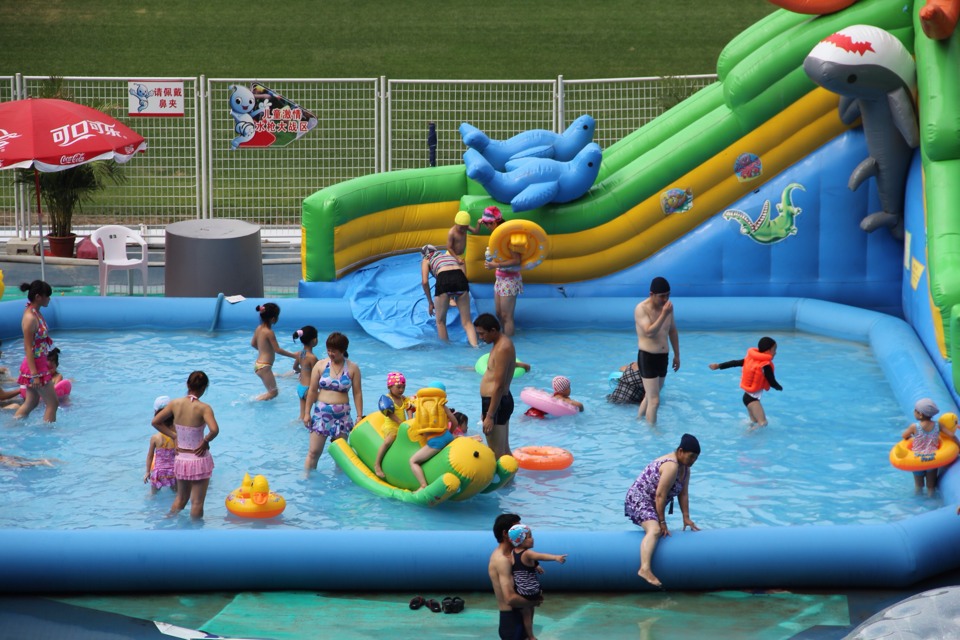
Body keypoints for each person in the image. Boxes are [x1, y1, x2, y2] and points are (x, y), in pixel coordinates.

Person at [624, 433, 701, 588]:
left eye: (696, 458)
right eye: (691, 456)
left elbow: (683, 493)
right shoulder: (671, 465)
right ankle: (644, 568)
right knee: (655, 530)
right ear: (680, 451)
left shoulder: (685, 469)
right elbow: (660, 495)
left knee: (658, 528)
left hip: (651, 503)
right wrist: (662, 522)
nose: (693, 461)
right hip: (638, 499)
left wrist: (686, 517)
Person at [151, 371, 219, 519]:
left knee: (180, 499)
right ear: (204, 388)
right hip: (199, 458)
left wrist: (174, 436)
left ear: (188, 384)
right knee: (197, 503)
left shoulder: (175, 403)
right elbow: (214, 430)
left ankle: (166, 525)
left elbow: (155, 422)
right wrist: (206, 441)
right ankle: (195, 537)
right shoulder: (204, 408)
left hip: (181, 458)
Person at [303, 332, 363, 470]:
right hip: (321, 415)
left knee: (341, 456)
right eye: (328, 350)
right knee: (313, 452)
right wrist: (307, 413)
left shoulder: (353, 368)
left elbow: (357, 393)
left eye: (334, 351)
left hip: (342, 417)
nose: (330, 353)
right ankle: (307, 481)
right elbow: (312, 390)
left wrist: (359, 415)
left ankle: (339, 487)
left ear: (342, 350)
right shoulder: (320, 365)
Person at [507, 523, 567, 640]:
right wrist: (555, 558)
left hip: (521, 591)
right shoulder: (527, 553)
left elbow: (521, 565)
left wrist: (535, 566)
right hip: (532, 591)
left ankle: (526, 633)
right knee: (529, 614)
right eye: (529, 536)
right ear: (521, 540)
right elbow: (541, 556)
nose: (532, 538)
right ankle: (531, 636)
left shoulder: (512, 553)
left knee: (526, 613)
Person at [633, 276, 680, 425]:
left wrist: (677, 355)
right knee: (655, 400)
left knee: (651, 395)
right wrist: (664, 314)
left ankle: (638, 420)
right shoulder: (641, 309)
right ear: (651, 294)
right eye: (662, 296)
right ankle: (652, 434)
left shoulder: (668, 307)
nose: (665, 299)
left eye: (668, 295)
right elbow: (649, 332)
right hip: (647, 357)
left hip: (663, 357)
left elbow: (672, 331)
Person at [708, 336, 783, 428]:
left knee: (753, 422)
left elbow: (735, 363)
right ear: (768, 351)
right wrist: (779, 388)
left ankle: (748, 435)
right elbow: (772, 382)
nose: (775, 353)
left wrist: (719, 365)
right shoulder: (765, 366)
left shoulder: (751, 359)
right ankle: (747, 435)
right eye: (774, 350)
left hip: (747, 397)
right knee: (763, 423)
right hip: (753, 400)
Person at [488, 513, 541, 640]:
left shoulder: (515, 554)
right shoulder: (502, 560)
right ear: (506, 534)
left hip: (521, 616)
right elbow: (510, 599)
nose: (522, 534)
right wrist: (536, 600)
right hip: (512, 621)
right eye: (517, 530)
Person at [475, 313, 517, 459]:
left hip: (496, 402)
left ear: (493, 330)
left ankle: (504, 482)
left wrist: (490, 415)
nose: (481, 337)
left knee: (496, 454)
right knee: (504, 451)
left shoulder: (502, 348)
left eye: (482, 334)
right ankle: (512, 481)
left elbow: (498, 385)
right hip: (498, 401)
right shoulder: (501, 344)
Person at [15, 280, 58, 422]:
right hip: (36, 368)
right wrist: (34, 375)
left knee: (31, 402)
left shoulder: (34, 311)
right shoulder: (30, 318)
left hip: (38, 364)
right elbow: (28, 347)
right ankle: (48, 435)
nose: (49, 299)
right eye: (47, 296)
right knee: (53, 404)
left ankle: (14, 425)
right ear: (38, 297)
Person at [421, 244, 479, 347]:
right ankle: (475, 347)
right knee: (467, 322)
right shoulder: (448, 256)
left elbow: (425, 282)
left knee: (440, 322)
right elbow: (462, 264)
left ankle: (446, 349)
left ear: (424, 255)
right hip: (460, 278)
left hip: (444, 279)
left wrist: (430, 302)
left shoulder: (426, 260)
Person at [482, 206, 523, 337]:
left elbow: (517, 260)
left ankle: (508, 344)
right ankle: (502, 339)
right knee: (499, 313)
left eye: (487, 224)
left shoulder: (507, 237)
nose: (486, 227)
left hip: (510, 280)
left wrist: (495, 264)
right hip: (500, 279)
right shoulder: (498, 234)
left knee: (506, 316)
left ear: (494, 223)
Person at [251, 303, 299, 401]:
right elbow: (278, 350)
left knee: (274, 381)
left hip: (259, 365)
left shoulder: (259, 328)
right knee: (273, 393)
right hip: (264, 367)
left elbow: (253, 344)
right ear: (273, 319)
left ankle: (279, 375)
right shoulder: (269, 332)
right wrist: (294, 355)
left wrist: (264, 350)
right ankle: (253, 402)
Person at [902, 398, 942, 496]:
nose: (913, 412)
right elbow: (952, 435)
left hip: (917, 460)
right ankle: (930, 498)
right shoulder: (938, 425)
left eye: (915, 410)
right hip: (932, 459)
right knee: (931, 487)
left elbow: (904, 436)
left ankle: (918, 500)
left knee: (919, 486)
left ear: (920, 414)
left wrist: (911, 436)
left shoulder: (914, 427)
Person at [144, 395, 177, 493]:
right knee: (177, 496)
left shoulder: (155, 438)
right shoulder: (177, 436)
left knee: (153, 495)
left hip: (158, 473)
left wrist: (147, 472)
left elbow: (150, 456)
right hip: (173, 472)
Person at [292, 325, 320, 421]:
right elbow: (318, 375)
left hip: (300, 388)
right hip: (309, 390)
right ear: (314, 340)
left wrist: (303, 372)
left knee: (302, 417)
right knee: (327, 403)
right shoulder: (313, 358)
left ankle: (291, 426)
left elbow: (295, 367)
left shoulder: (300, 354)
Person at [374, 394, 402, 479]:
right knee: (388, 441)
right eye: (398, 387)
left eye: (403, 387)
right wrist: (401, 423)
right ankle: (377, 465)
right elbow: (390, 414)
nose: (401, 390)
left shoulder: (403, 399)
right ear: (390, 387)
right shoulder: (387, 399)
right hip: (391, 427)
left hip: (401, 427)